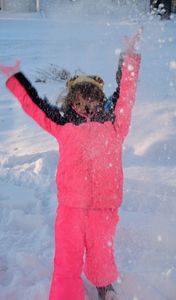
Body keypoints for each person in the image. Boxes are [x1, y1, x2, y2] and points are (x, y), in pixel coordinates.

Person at [0, 30, 141, 300]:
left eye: (93, 98)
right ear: (72, 101)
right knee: (67, 257)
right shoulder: (63, 124)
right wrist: (15, 79)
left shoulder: (115, 125)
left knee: (101, 250)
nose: (87, 104)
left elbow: (126, 94)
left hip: (104, 205)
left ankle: (104, 286)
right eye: (80, 99)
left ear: (100, 99)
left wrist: (129, 56)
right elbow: (35, 105)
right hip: (71, 207)